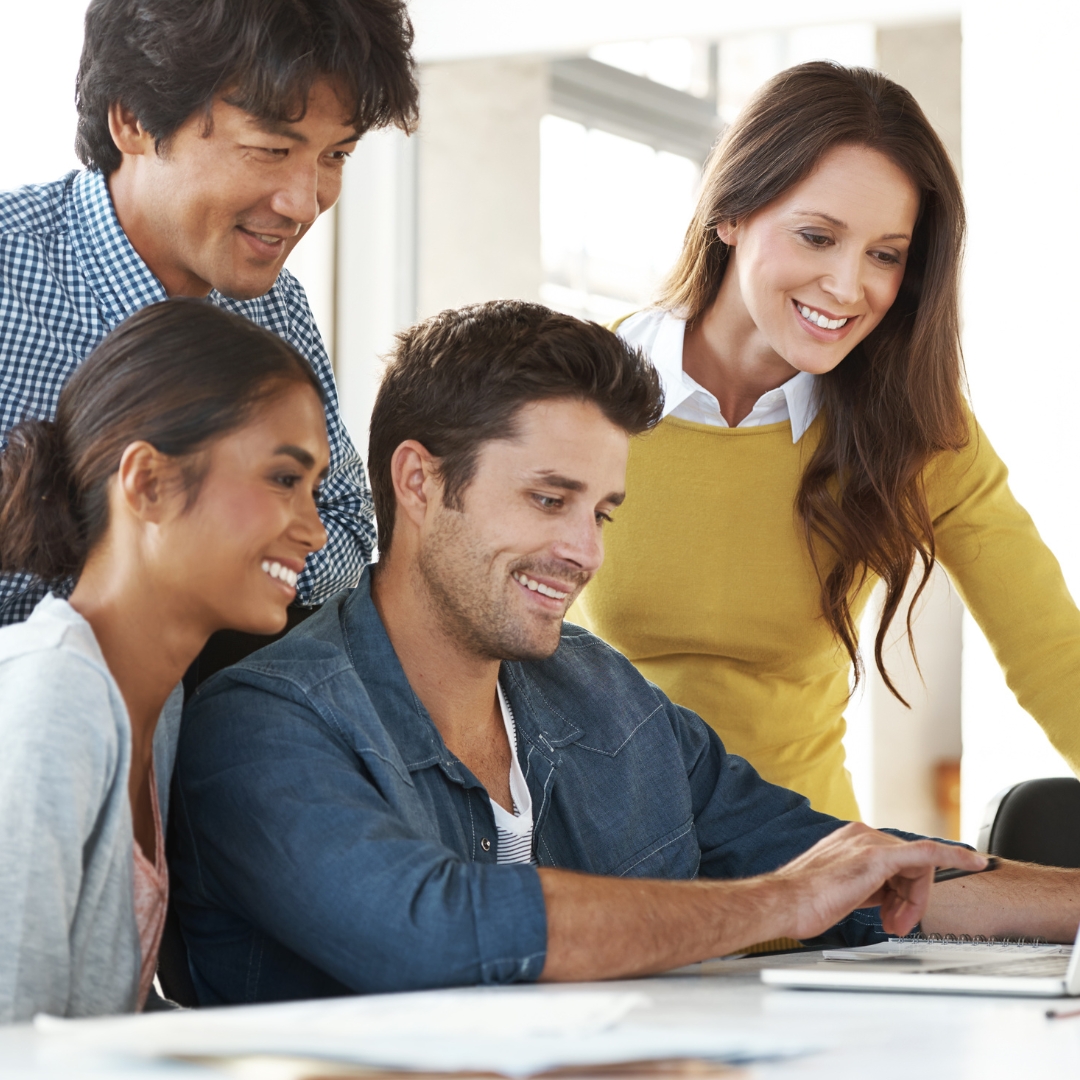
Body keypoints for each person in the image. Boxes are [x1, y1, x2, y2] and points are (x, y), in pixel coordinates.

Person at [170, 302, 1080, 1004]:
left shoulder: (599, 688)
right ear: (420, 479)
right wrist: (774, 904)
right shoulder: (264, 722)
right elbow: (437, 930)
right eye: (549, 499)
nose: (586, 552)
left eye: (600, 512)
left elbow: (863, 870)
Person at [571, 62, 1080, 819]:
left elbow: (1053, 657)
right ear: (731, 214)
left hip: (810, 893)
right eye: (817, 236)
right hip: (601, 879)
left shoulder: (915, 429)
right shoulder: (570, 397)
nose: (848, 287)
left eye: (885, 254)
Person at [0, 0, 418, 625]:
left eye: (336, 156)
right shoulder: (10, 276)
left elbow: (348, 533)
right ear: (134, 120)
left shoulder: (277, 309)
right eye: (271, 149)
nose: (306, 203)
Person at [0, 299, 330, 1022]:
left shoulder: (158, 701)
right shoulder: (55, 692)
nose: (315, 531)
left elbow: (105, 1022)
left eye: (313, 488)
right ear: (147, 483)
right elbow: (14, 1039)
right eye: (283, 479)